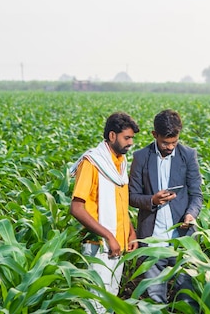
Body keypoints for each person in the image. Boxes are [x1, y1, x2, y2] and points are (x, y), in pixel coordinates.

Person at [129, 109, 203, 306]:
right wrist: (152, 200)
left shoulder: (188, 155)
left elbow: (196, 195)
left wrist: (190, 214)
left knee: (187, 298)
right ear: (154, 135)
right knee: (155, 299)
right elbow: (131, 196)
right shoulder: (141, 157)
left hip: (182, 240)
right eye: (165, 143)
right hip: (153, 240)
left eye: (174, 142)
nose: (170, 147)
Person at [69, 111, 140, 312]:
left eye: (132, 138)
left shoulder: (119, 163)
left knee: (111, 302)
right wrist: (109, 235)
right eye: (127, 138)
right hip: (98, 246)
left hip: (117, 244)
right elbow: (76, 208)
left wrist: (130, 232)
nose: (131, 142)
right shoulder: (92, 163)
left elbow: (120, 205)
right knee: (97, 305)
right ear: (112, 136)